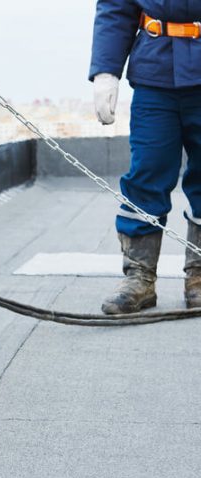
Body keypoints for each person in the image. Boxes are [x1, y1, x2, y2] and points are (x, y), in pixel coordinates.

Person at [90, 1, 201, 314]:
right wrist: (106, 70)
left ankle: (200, 276)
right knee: (146, 174)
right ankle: (139, 278)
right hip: (155, 74)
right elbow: (117, 6)